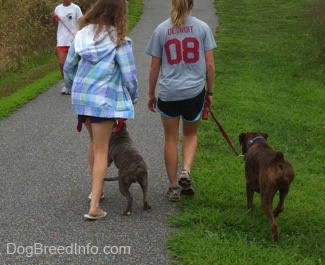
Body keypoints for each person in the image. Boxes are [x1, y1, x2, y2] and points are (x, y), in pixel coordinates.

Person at [64, 0, 138, 219]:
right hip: (103, 99)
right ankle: (94, 207)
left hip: (83, 97)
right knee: (101, 148)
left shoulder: (81, 35)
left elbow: (69, 67)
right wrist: (133, 96)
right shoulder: (120, 41)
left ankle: (96, 190)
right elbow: (129, 75)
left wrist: (70, 88)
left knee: (94, 143)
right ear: (120, 13)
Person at [145, 0, 216, 202]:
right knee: (190, 134)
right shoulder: (202, 28)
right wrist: (209, 93)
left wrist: (151, 94)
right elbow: (209, 65)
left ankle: (173, 186)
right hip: (194, 92)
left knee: (170, 138)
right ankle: (186, 170)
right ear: (192, 4)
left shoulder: (161, 29)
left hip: (168, 93)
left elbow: (153, 68)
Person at [52, 0, 83, 95]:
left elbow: (81, 23)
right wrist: (53, 18)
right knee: (62, 63)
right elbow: (55, 24)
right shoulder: (58, 8)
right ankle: (66, 84)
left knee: (74, 63)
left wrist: (78, 35)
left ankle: (76, 83)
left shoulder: (76, 8)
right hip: (61, 40)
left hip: (73, 40)